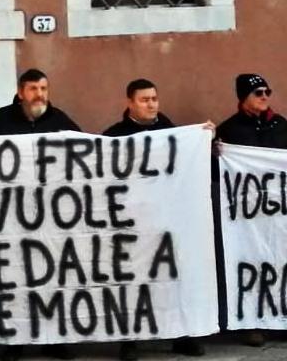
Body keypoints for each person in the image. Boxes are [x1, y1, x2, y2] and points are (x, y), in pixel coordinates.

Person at [0, 69, 80, 361]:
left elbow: (86, 151)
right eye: (34, 88)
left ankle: (55, 340)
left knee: (54, 279)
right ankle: (15, 342)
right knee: (16, 280)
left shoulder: (61, 121)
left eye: (44, 88)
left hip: (52, 216)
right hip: (11, 216)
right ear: (21, 92)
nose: (40, 94)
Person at [103, 79, 208, 361]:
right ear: (129, 103)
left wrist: (201, 138)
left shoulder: (172, 134)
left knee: (173, 278)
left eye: (154, 99)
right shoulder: (115, 136)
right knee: (132, 280)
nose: (151, 104)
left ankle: (180, 335)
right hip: (131, 222)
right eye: (144, 100)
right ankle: (129, 340)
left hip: (167, 221)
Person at [215, 74, 287, 347]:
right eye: (258, 92)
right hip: (247, 213)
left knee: (286, 263)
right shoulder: (229, 130)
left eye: (267, 91)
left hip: (281, 208)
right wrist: (216, 155)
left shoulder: (281, 125)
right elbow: (219, 172)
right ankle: (253, 324)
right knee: (250, 265)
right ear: (243, 97)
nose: (264, 97)